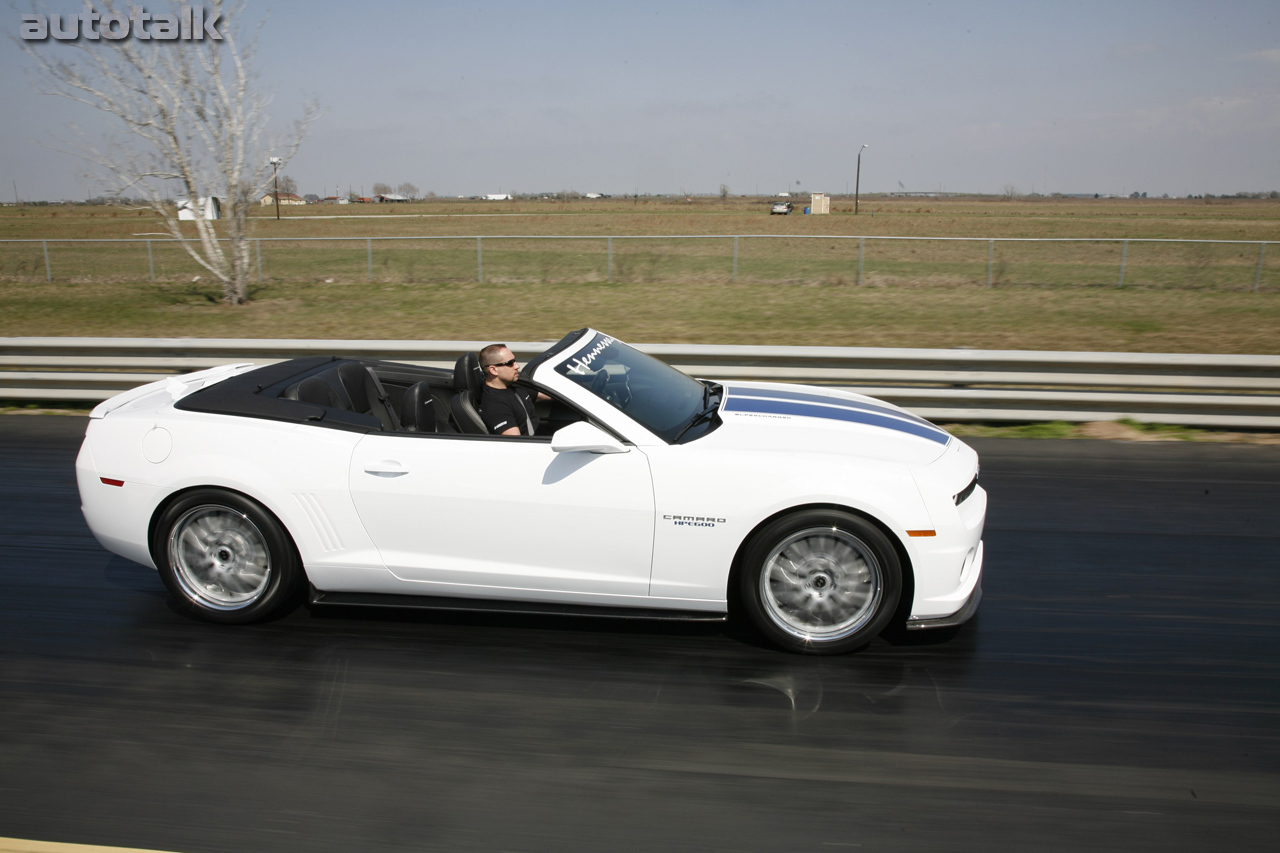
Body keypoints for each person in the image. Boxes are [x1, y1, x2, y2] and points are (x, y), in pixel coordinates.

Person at [478, 344, 549, 436]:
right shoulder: (496, 406)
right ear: (493, 370)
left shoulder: (514, 385)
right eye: (510, 363)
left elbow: (550, 394)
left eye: (515, 361)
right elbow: (515, 443)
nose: (517, 366)